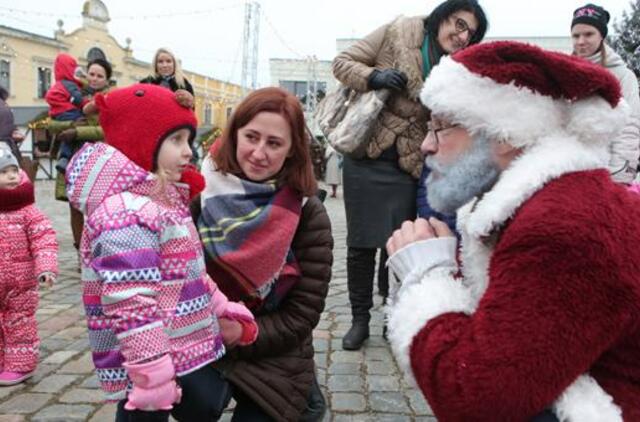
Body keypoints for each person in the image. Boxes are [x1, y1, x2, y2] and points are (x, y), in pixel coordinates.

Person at [386, 41, 640, 421]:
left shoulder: (563, 229)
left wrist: (428, 280)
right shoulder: (551, 201)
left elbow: (476, 400)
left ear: (504, 135)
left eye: (440, 127)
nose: (426, 144)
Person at [66, 84, 258, 421]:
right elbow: (132, 303)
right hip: (148, 362)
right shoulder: (124, 214)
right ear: (141, 140)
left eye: (188, 140)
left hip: (173, 345)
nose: (188, 152)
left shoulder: (160, 202)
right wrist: (151, 373)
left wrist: (220, 306)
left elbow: (187, 272)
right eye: (176, 140)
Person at [331, 0, 488, 350]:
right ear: (441, 16)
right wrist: (374, 76)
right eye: (458, 24)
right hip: (367, 152)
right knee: (359, 245)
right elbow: (342, 63)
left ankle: (392, 314)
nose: (462, 36)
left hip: (408, 163)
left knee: (396, 242)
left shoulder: (457, 66)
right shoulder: (397, 32)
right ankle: (360, 320)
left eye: (469, 33)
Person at [194, 87, 333, 421]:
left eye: (274, 143)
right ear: (234, 133)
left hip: (273, 351)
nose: (259, 153)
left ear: (291, 151)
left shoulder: (307, 212)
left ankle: (307, 400)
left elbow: (300, 316)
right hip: (200, 339)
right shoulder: (198, 191)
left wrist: (242, 332)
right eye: (251, 137)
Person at [0, 145, 58, 386]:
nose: (13, 176)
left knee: (20, 323)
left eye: (14, 170)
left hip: (20, 284)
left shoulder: (28, 211)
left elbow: (44, 238)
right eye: (4, 172)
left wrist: (46, 267)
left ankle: (21, 364)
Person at [571, 3, 640, 184]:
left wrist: (619, 177)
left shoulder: (623, 76)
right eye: (576, 35)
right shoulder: (564, 73)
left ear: (602, 35)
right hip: (566, 169)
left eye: (588, 34)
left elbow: (630, 128)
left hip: (606, 171)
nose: (580, 41)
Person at [52, 58, 114, 255]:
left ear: (107, 79)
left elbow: (106, 130)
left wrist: (77, 132)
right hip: (72, 157)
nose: (94, 79)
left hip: (97, 158)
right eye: (92, 74)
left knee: (99, 206)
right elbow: (51, 123)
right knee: (75, 206)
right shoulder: (73, 92)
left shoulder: (110, 98)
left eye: (100, 76)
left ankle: (101, 250)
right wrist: (71, 126)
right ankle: (81, 252)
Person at [45, 53, 87, 174]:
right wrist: (88, 103)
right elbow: (78, 99)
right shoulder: (70, 84)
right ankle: (65, 157)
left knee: (65, 136)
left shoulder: (57, 85)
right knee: (72, 136)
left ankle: (62, 156)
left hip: (58, 114)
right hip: (70, 112)